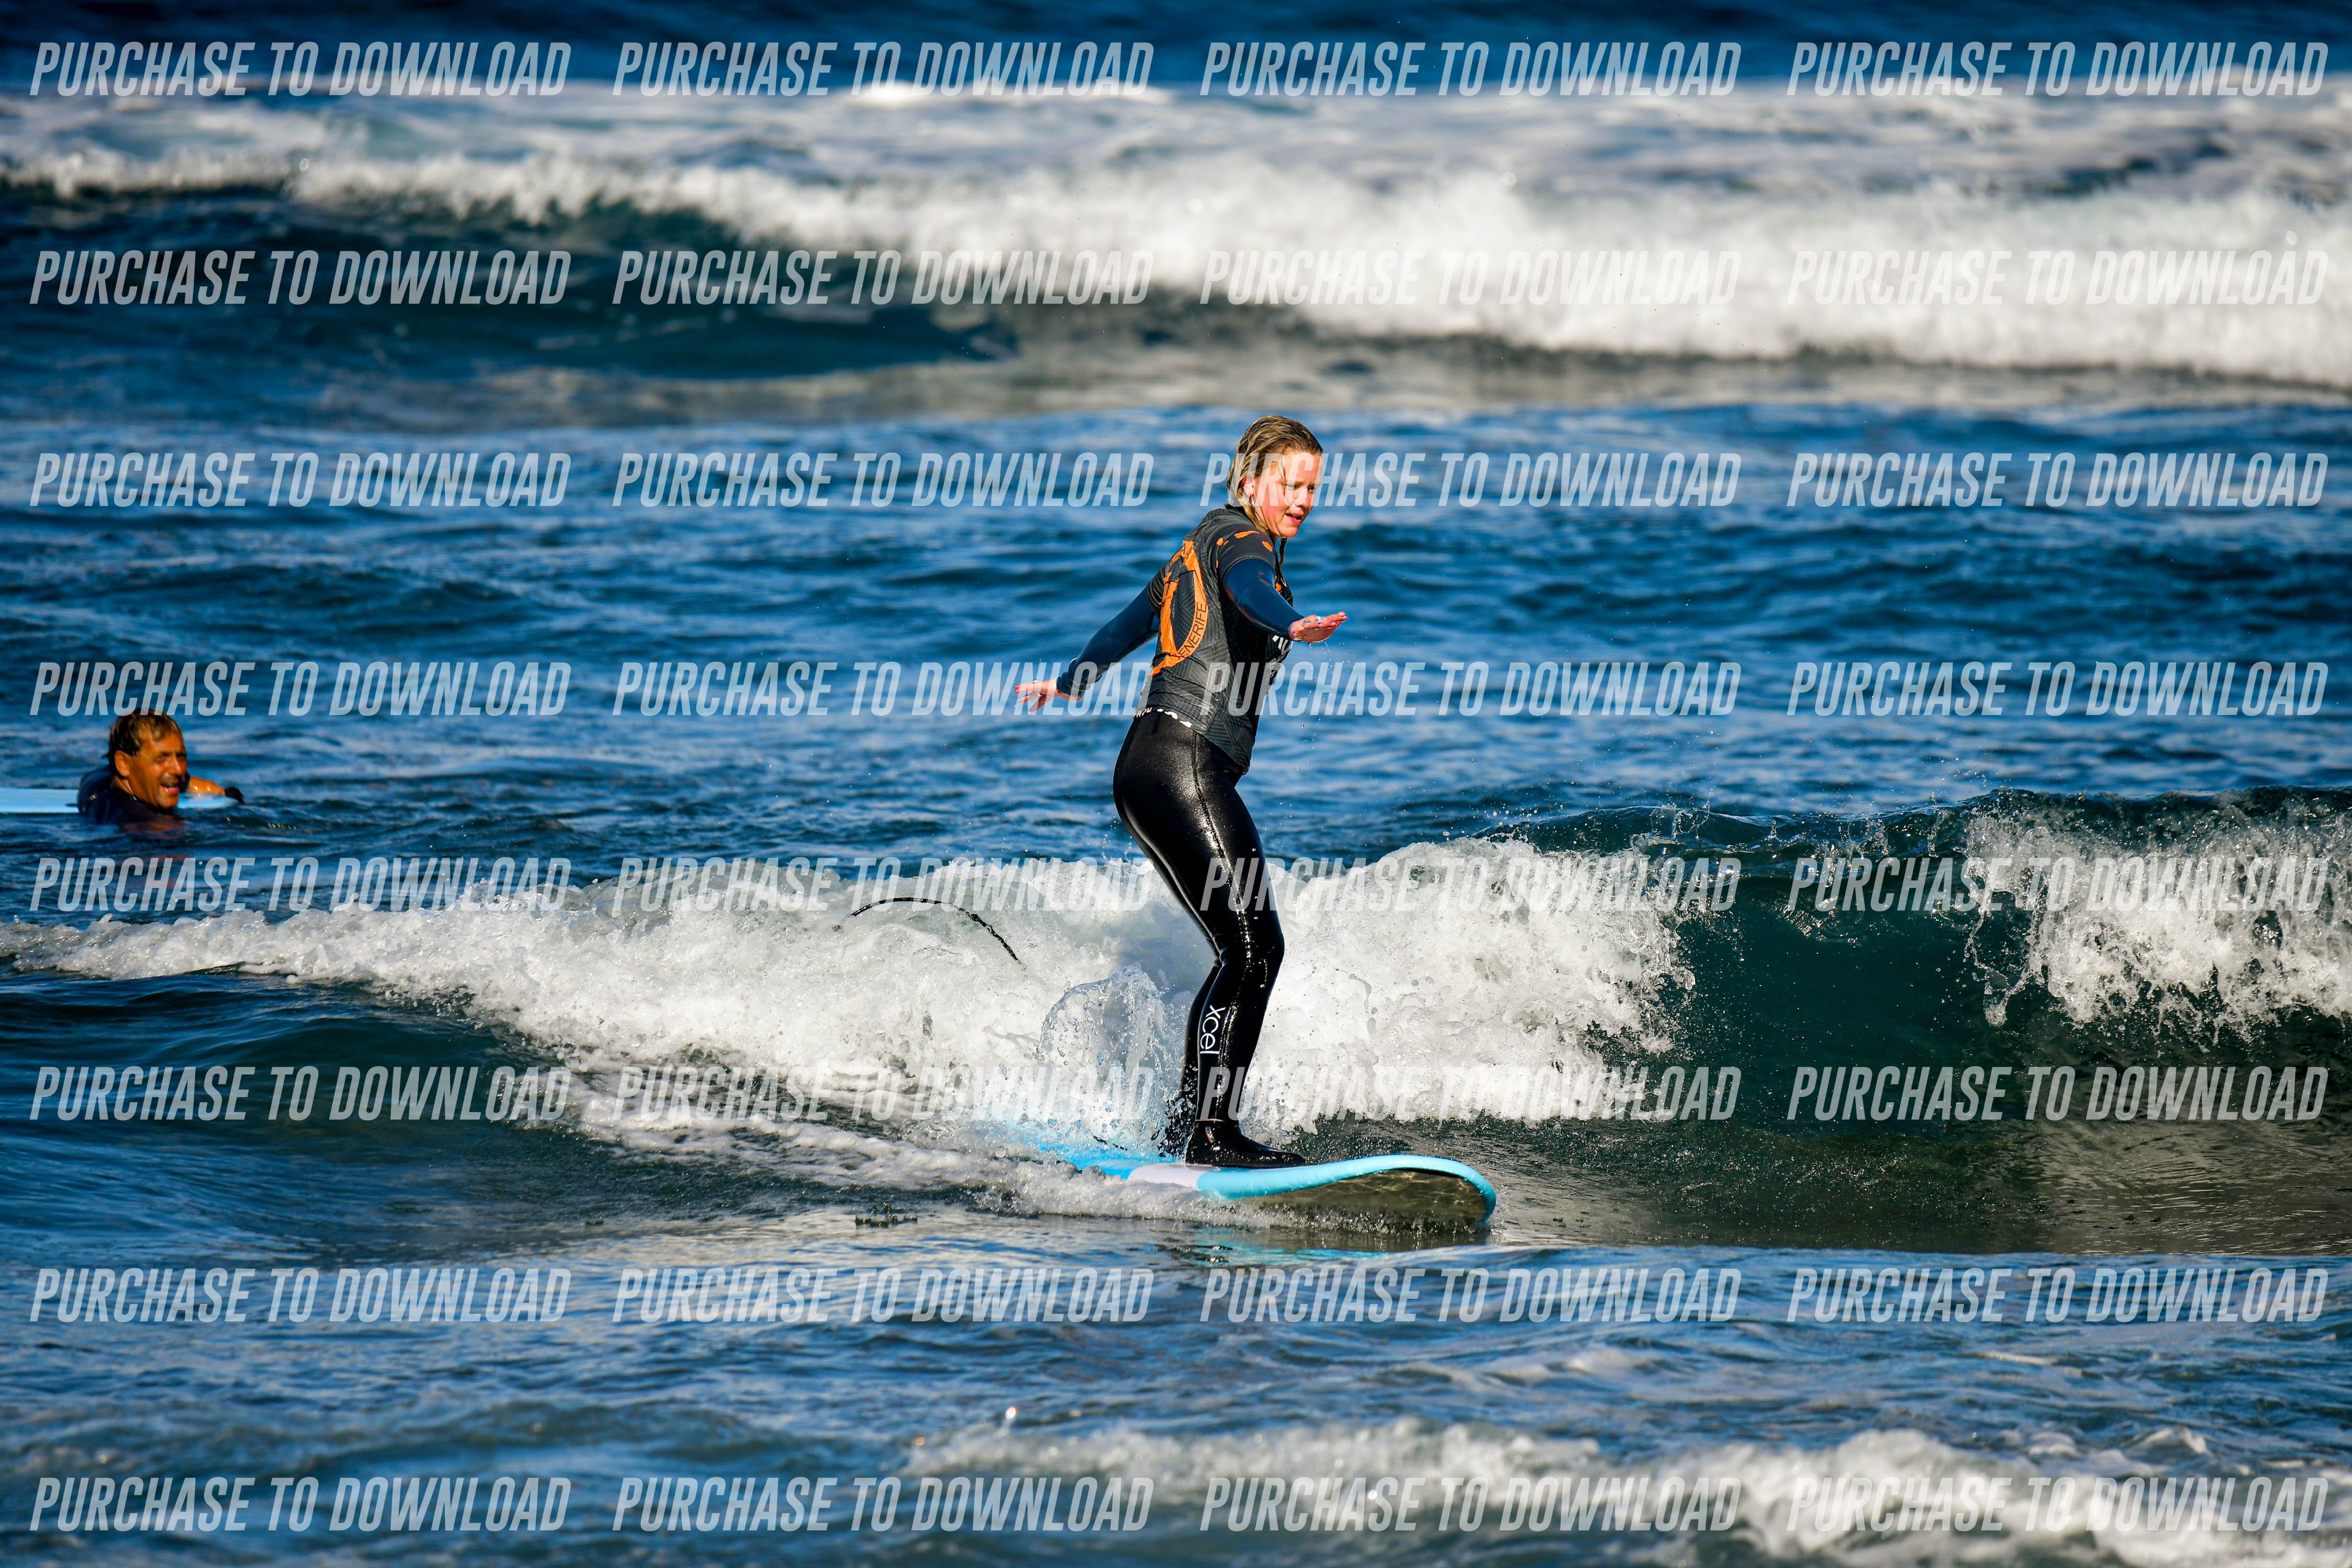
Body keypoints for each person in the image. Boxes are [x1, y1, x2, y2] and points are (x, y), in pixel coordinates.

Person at [1017, 416, 1346, 1168]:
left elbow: (1127, 624)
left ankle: (1187, 1128)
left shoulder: (1196, 544)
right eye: (1290, 485)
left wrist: (1070, 681)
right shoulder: (1241, 542)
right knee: (1256, 948)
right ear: (1250, 481)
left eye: (1312, 488)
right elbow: (1252, 591)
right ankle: (1211, 1132)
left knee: (1240, 949)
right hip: (1185, 764)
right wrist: (1294, 621)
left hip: (1147, 770)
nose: (1303, 500)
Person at [77, 710, 237, 826]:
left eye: (181, 757)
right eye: (162, 759)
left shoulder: (98, 780)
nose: (178, 770)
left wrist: (210, 789)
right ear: (123, 764)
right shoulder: (134, 821)